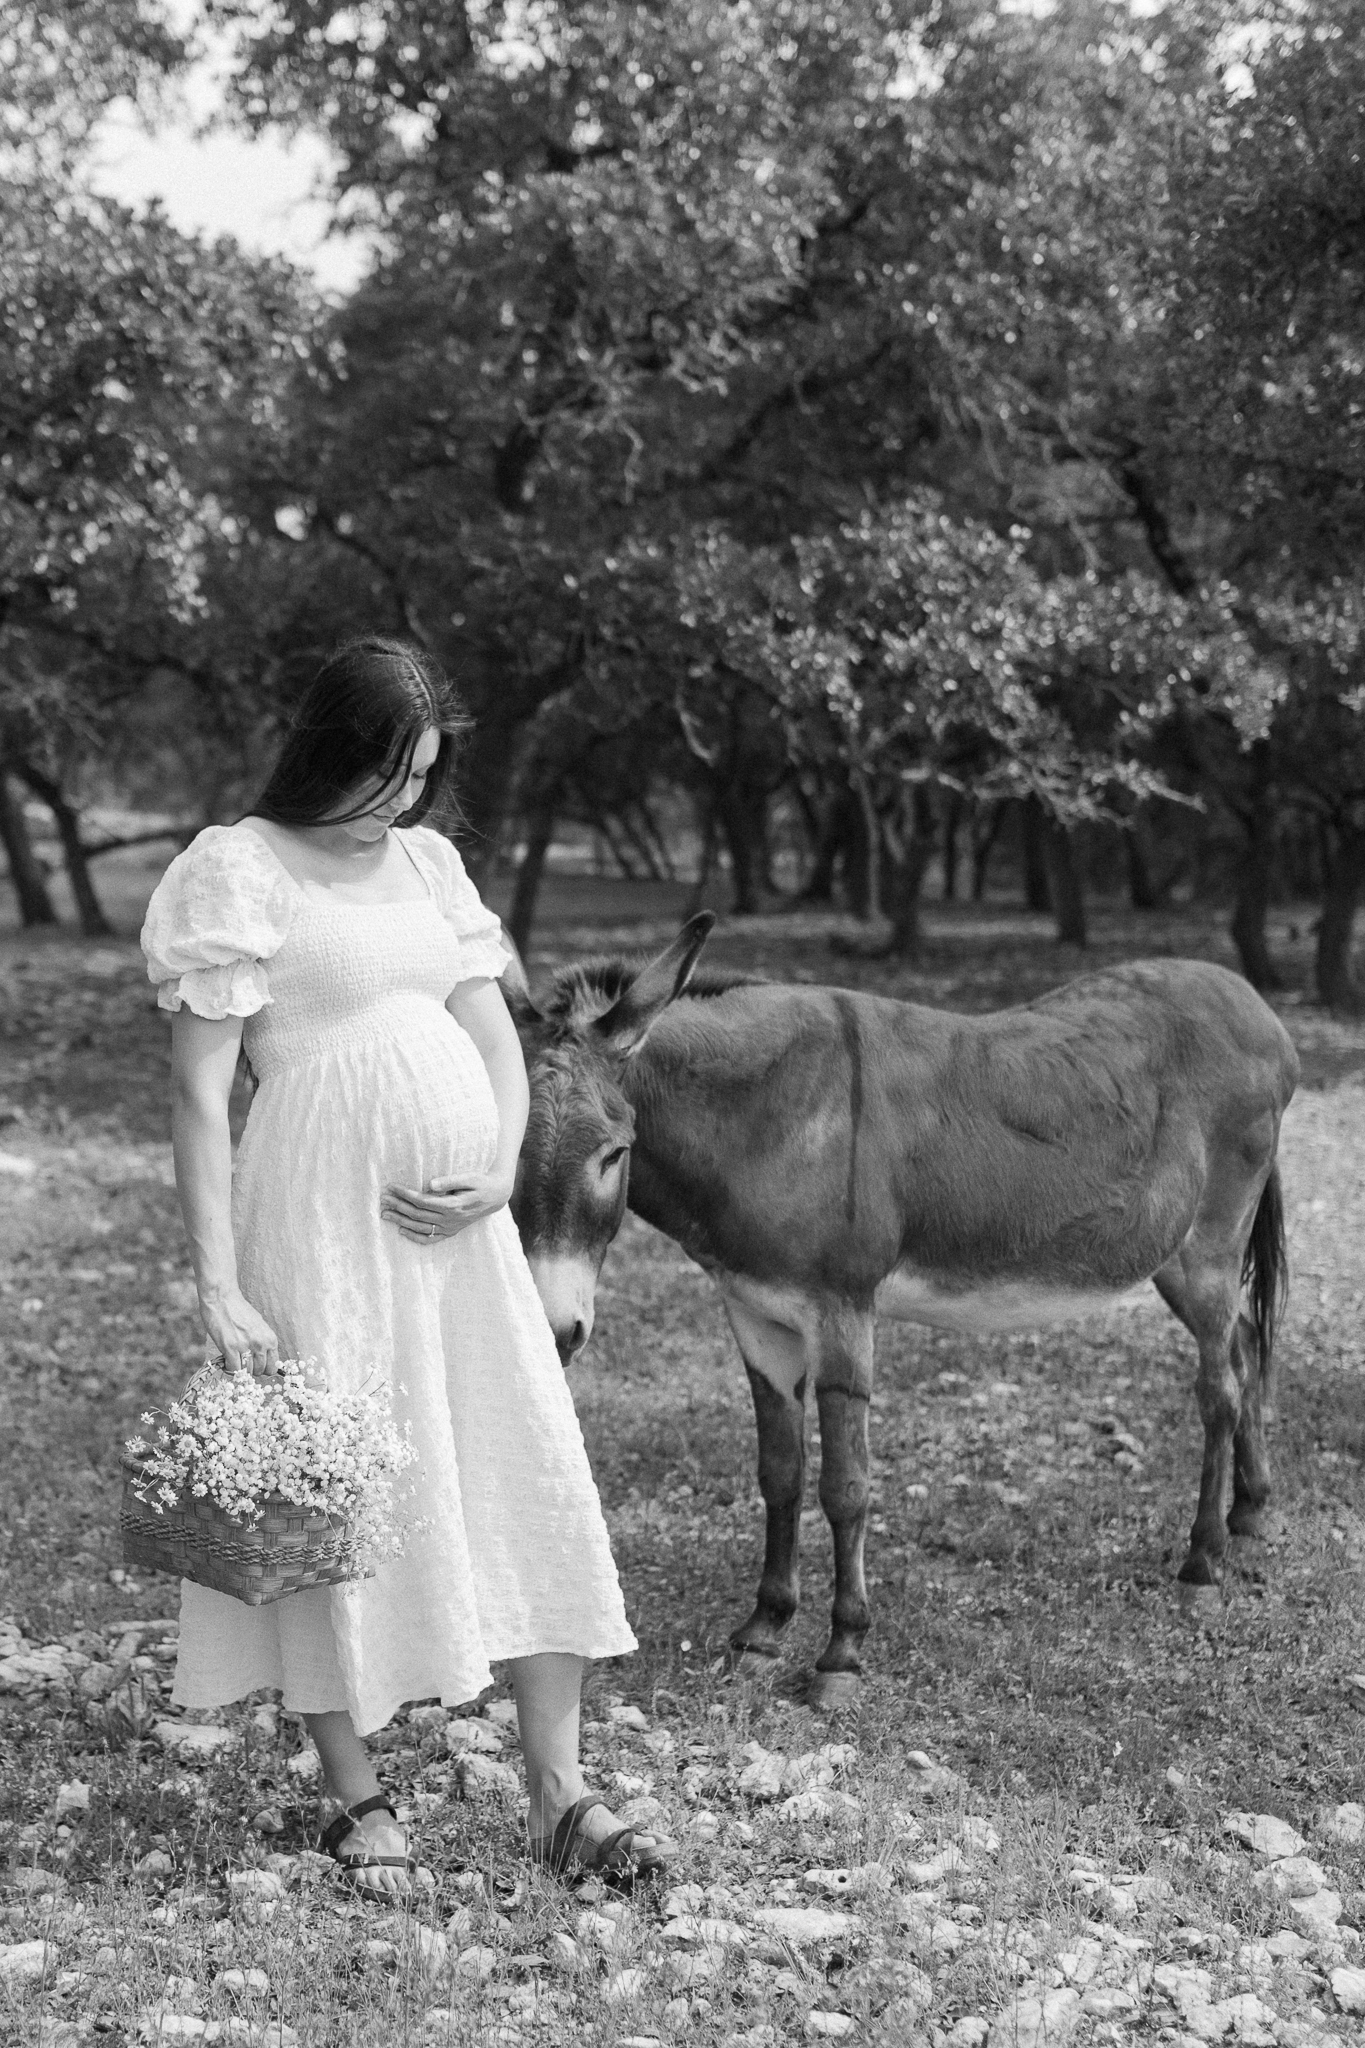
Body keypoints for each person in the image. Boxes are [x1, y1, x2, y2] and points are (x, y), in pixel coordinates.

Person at [140, 637, 662, 1896]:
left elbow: (491, 1032)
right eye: (385, 774)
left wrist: (494, 1167)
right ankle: (357, 1791)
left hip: (460, 1231)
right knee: (332, 1487)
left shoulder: (430, 863)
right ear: (330, 749)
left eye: (422, 778)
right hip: (315, 1219)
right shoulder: (237, 869)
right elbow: (203, 1094)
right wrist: (217, 1279)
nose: (401, 803)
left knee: (519, 1458)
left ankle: (562, 1789)